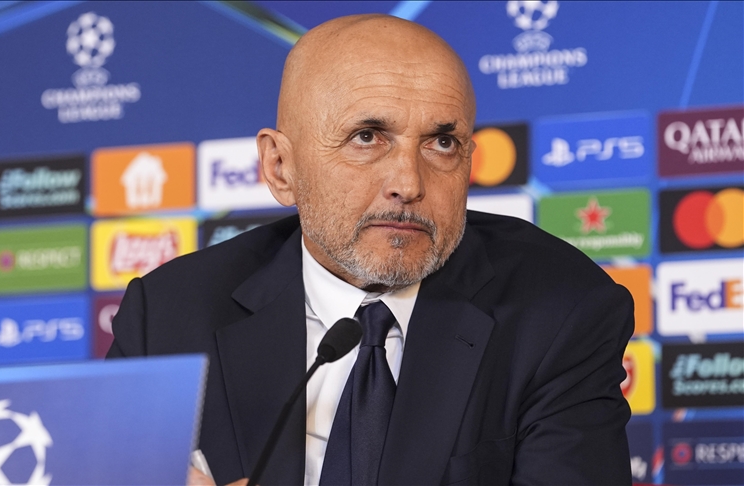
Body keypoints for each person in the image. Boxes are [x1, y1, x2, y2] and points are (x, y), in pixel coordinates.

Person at [108, 14, 634, 486]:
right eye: (367, 137)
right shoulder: (169, 316)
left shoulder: (561, 309)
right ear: (280, 168)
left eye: (442, 143)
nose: (408, 183)